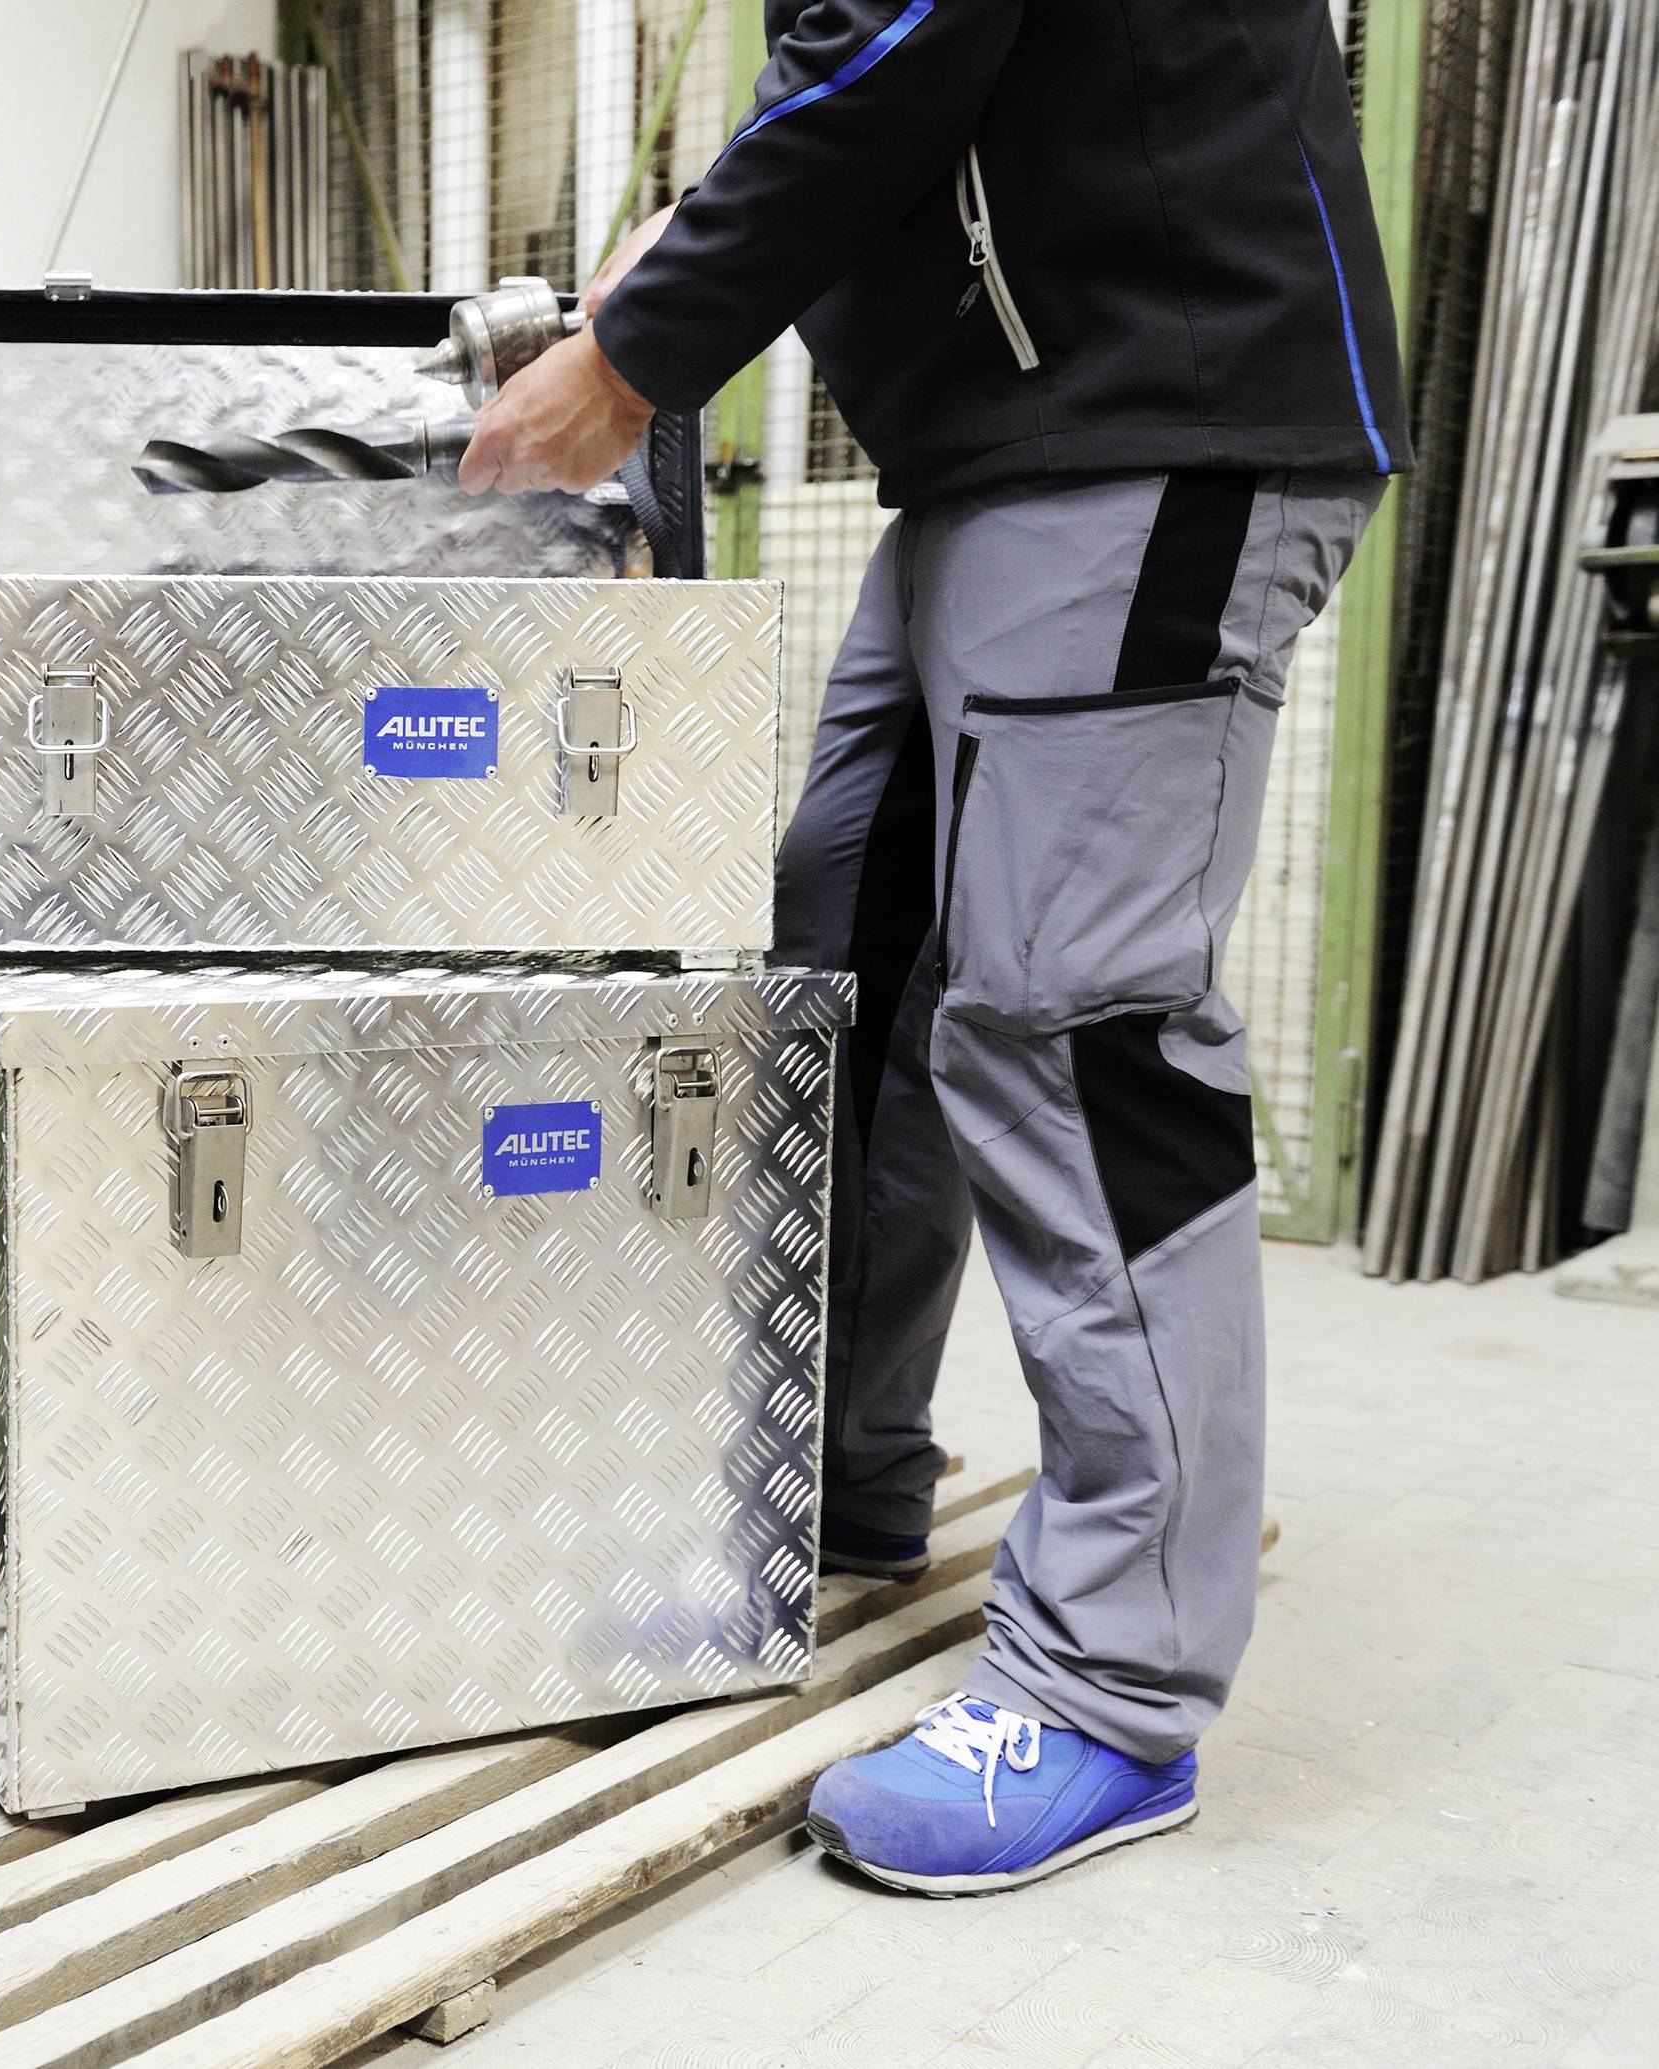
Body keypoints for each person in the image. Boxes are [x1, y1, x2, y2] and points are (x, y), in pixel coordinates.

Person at [463, 0, 1406, 1895]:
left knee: (1077, 1022)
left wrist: (629, 360)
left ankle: (1115, 1686)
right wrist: (696, 249)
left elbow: (895, 56)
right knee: (858, 945)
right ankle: (848, 1478)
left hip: (1163, 414)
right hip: (1008, 447)